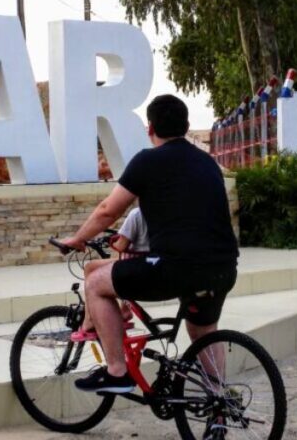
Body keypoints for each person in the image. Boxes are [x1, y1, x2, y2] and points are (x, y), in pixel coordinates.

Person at [58, 94, 239, 393]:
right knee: (203, 331)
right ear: (187, 125)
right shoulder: (207, 162)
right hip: (222, 268)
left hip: (176, 269)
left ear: (150, 128)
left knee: (96, 284)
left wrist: (78, 239)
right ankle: (219, 403)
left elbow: (108, 210)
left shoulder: (147, 161)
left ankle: (117, 372)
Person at [70, 207, 149, 342]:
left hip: (136, 264)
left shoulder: (137, 214)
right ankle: (124, 310)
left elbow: (121, 245)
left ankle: (89, 320)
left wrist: (111, 241)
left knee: (90, 268)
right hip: (153, 261)